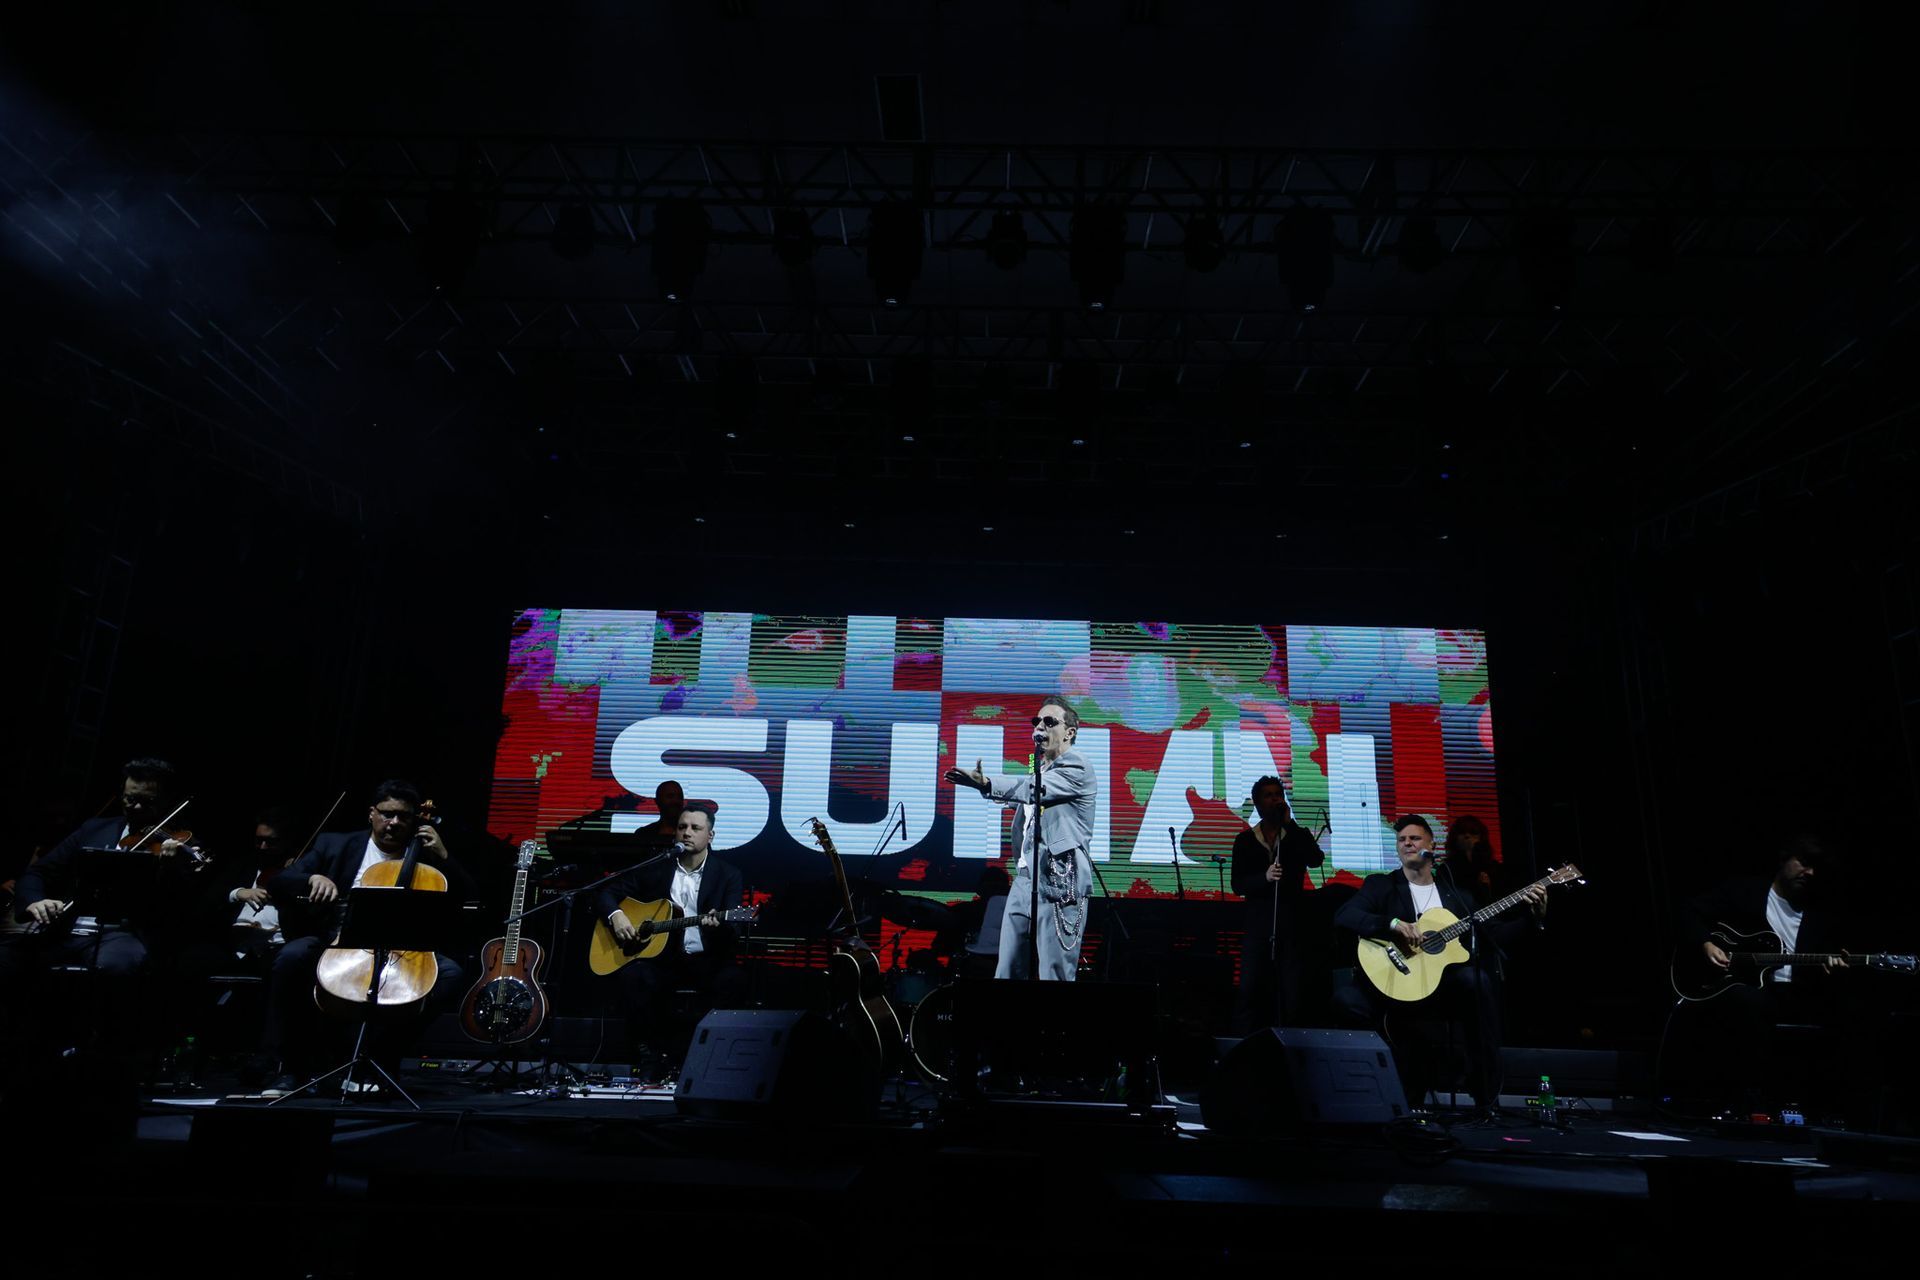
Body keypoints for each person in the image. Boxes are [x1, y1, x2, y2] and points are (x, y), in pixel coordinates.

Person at [257, 780, 473, 1095]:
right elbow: (281, 881)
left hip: (402, 948)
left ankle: (381, 1058)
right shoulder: (335, 844)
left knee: (450, 974)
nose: (394, 823)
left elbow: (469, 897)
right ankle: (286, 1068)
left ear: (415, 820)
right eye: (387, 814)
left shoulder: (426, 858)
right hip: (336, 940)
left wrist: (443, 855)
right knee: (292, 957)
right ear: (371, 814)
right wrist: (311, 878)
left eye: (403, 817)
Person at [1332, 814, 1545, 1110]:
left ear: (1432, 845)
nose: (1407, 843)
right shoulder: (1382, 885)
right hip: (1394, 984)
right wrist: (1393, 923)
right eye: (1402, 839)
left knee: (1478, 980)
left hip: (1442, 989)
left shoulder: (1456, 895)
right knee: (1346, 998)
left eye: (1414, 838)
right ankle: (1375, 1093)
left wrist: (1531, 919)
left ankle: (1486, 1095)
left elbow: (1493, 935)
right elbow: (1345, 916)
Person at [1, 758, 205, 1062]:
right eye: (129, 798)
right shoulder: (95, 828)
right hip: (67, 927)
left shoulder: (178, 843)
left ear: (167, 802)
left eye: (146, 802)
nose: (135, 808)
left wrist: (174, 869)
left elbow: (182, 906)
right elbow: (39, 872)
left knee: (118, 968)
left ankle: (105, 1057)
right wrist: (34, 900)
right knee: (7, 957)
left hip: (122, 932)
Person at [945, 696, 1096, 982]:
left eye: (1049, 722)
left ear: (1069, 732)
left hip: (1061, 881)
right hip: (1026, 880)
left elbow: (1033, 791)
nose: (1040, 726)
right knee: (1008, 969)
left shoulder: (1077, 766)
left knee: (1054, 972)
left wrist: (987, 783)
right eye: (1036, 721)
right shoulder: (1040, 770)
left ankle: (1056, 1028)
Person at [593, 801, 747, 1065]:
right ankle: (649, 1054)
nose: (687, 832)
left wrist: (719, 926)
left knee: (733, 981)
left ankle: (704, 1058)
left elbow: (735, 926)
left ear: (710, 836)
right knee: (634, 977)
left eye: (695, 828)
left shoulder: (728, 875)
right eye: (682, 827)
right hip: (663, 959)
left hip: (706, 959)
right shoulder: (657, 867)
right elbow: (606, 892)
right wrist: (615, 916)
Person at [1230, 775, 1325, 1029]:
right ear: (1258, 803)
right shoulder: (1245, 841)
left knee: (1292, 989)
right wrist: (1264, 877)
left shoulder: (1296, 834)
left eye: (1278, 794)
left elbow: (1316, 859)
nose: (1275, 799)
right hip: (1257, 924)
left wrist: (1290, 825)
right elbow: (1238, 884)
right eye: (1268, 795)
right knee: (1249, 987)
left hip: (1292, 923)